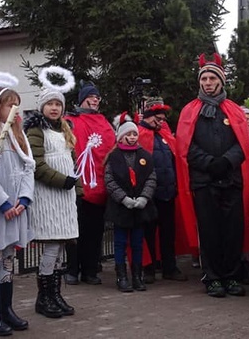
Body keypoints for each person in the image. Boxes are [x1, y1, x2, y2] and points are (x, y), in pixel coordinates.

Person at [176, 53, 249, 298]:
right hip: (203, 181)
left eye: (212, 78)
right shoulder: (190, 111)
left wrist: (226, 161)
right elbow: (185, 146)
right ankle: (212, 277)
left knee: (233, 230)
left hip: (231, 179)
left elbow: (242, 143)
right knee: (210, 231)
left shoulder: (233, 110)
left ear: (221, 81)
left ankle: (232, 276)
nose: (208, 83)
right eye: (204, 79)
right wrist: (209, 163)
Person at [24, 79, 80, 318]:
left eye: (58, 104)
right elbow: (36, 164)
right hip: (47, 195)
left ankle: (55, 294)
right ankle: (43, 298)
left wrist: (77, 191)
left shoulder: (65, 130)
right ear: (42, 107)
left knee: (59, 248)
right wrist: (62, 181)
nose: (54, 108)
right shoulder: (35, 130)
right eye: (50, 104)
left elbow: (72, 163)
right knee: (50, 246)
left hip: (64, 197)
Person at [0, 86, 35, 335]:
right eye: (9, 106)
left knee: (7, 260)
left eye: (18, 105)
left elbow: (28, 167)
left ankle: (6, 309)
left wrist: (23, 200)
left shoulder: (19, 135)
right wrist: (3, 203)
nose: (15, 111)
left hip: (16, 207)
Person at [65, 81, 116, 285]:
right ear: (82, 99)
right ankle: (72, 269)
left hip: (99, 185)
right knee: (75, 230)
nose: (95, 99)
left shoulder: (105, 123)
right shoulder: (70, 121)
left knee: (95, 232)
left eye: (97, 97)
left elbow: (110, 149)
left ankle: (90, 269)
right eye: (91, 96)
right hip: (78, 184)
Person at [139, 97, 193, 283]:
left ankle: (170, 267)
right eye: (158, 119)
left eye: (162, 119)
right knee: (148, 231)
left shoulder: (165, 134)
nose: (161, 122)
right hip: (149, 194)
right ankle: (149, 268)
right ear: (148, 116)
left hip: (168, 192)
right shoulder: (138, 134)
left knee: (168, 232)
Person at [105, 116, 157, 292]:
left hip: (139, 208)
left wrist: (144, 197)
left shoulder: (144, 156)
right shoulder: (113, 156)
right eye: (129, 134)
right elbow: (109, 180)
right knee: (120, 243)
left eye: (135, 133)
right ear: (121, 137)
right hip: (121, 207)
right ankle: (122, 276)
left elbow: (151, 177)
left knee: (137, 243)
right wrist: (123, 198)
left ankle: (137, 275)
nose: (133, 137)